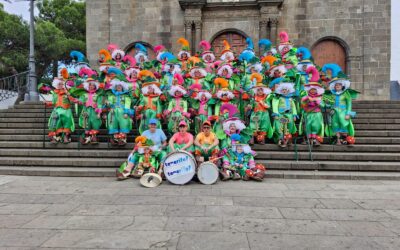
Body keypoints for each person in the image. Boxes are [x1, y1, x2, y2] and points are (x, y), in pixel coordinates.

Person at [322, 64, 358, 145]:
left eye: (339, 85)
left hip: (343, 112)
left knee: (344, 125)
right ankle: (338, 140)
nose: (337, 86)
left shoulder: (346, 94)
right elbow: (330, 103)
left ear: (342, 86)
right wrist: (326, 104)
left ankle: (345, 139)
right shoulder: (332, 95)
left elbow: (349, 104)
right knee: (335, 126)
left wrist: (348, 113)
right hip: (334, 112)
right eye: (336, 85)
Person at [46, 75, 75, 144]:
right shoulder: (55, 93)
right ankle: (55, 137)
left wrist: (68, 95)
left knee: (67, 123)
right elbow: (53, 102)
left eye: (62, 84)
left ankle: (65, 137)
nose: (60, 85)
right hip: (57, 110)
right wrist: (48, 103)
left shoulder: (68, 92)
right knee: (55, 123)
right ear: (56, 84)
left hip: (66, 110)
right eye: (59, 84)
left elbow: (72, 100)